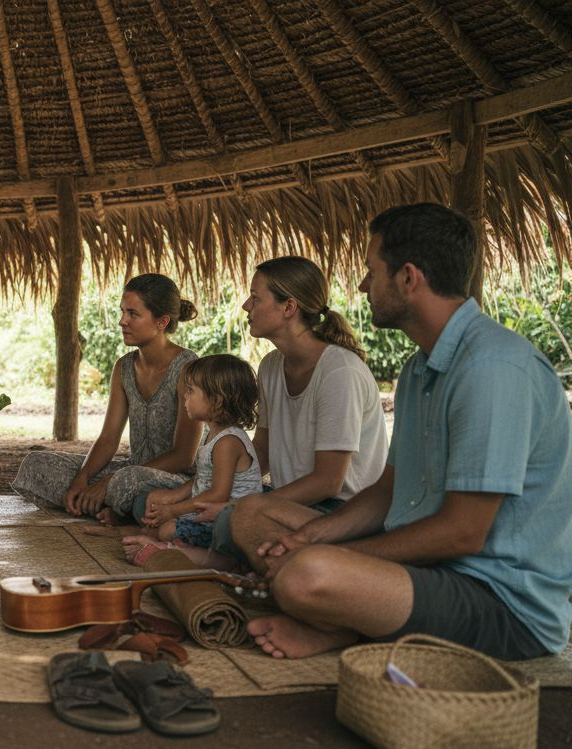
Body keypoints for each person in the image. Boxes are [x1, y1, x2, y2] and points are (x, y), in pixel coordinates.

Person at [240, 202, 572, 661]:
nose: (362, 285)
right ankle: (346, 617)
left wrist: (339, 557)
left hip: (497, 601)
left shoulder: (492, 367)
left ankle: (344, 620)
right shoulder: (419, 370)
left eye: (372, 271)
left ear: (409, 278)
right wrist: (312, 536)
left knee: (304, 576)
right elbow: (388, 490)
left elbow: (462, 535)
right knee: (251, 518)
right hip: (427, 570)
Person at [209, 257, 388, 563]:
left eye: (255, 297)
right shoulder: (270, 367)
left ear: (288, 307)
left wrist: (240, 508)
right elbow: (261, 451)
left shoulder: (339, 371)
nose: (245, 307)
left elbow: (328, 481)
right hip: (291, 504)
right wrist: (218, 490)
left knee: (229, 524)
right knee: (205, 518)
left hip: (342, 512)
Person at [12, 274, 203, 524]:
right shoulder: (123, 368)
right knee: (36, 464)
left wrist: (111, 480)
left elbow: (183, 457)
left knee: (127, 482)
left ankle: (118, 505)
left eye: (133, 314)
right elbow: (107, 440)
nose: (122, 321)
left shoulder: (188, 367)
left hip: (175, 480)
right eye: (123, 311)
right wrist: (82, 478)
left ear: (162, 322)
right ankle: (113, 506)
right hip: (132, 470)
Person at [120, 354, 261, 569]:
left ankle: (175, 551)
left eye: (192, 390)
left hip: (226, 519)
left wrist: (174, 511)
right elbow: (203, 478)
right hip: (205, 508)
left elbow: (218, 495)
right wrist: (172, 497)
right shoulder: (212, 434)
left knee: (167, 528)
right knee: (154, 498)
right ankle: (169, 541)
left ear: (217, 401)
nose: (185, 396)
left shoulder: (228, 442)